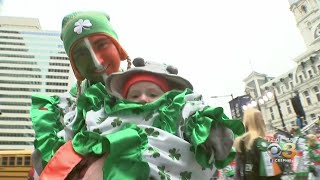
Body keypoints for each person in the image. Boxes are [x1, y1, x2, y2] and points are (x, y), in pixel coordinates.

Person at [36, 58, 245, 179]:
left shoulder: (175, 109)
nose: (143, 99)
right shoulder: (110, 116)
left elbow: (193, 116)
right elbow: (83, 139)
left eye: (153, 93)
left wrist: (210, 130)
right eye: (134, 95)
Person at [30, 10, 130, 178]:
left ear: (118, 48)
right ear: (75, 66)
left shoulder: (154, 92)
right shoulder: (58, 112)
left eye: (102, 44)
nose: (97, 61)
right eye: (81, 53)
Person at [234, 107, 282, 180]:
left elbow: (238, 171)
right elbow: (272, 173)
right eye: (261, 118)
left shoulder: (240, 142)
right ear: (259, 122)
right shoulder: (261, 144)